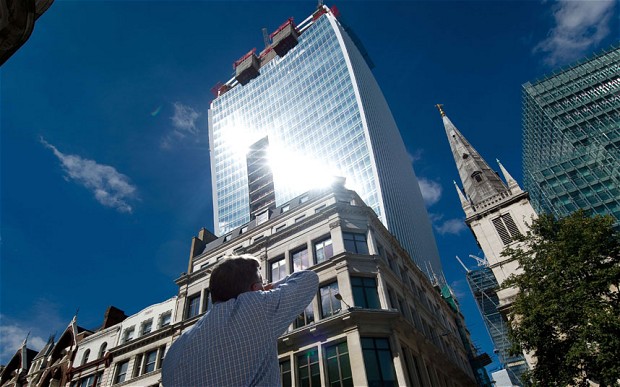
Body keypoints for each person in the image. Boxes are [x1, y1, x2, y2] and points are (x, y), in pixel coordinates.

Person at [161, 254, 319, 386]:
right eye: (261, 284)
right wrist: (266, 289)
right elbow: (308, 278)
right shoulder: (255, 308)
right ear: (255, 289)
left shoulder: (176, 348)